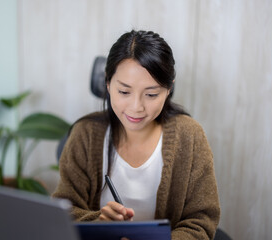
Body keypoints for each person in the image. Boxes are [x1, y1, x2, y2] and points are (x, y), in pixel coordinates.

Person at [52, 30, 220, 240]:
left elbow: (201, 222)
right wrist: (100, 223)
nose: (136, 107)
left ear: (169, 89)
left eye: (151, 94)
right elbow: (63, 213)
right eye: (124, 92)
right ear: (108, 84)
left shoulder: (190, 137)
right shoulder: (85, 134)